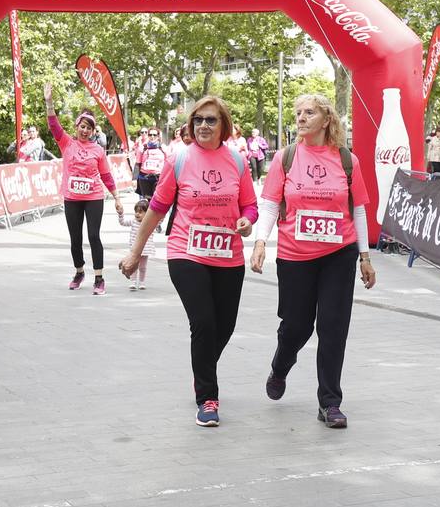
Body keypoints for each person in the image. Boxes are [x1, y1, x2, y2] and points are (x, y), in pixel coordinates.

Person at [118, 95, 256, 427]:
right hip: (187, 251)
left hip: (227, 254)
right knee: (204, 323)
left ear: (223, 125)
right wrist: (136, 252)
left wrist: (247, 221)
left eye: (211, 120)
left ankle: (201, 369)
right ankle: (207, 397)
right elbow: (157, 208)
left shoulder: (237, 161)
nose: (204, 126)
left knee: (224, 326)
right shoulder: (179, 159)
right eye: (198, 120)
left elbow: (249, 205)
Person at [250, 93, 375, 430]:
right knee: (297, 326)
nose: (301, 118)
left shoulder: (348, 160)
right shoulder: (285, 158)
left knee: (333, 327)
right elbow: (270, 204)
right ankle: (280, 365)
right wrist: (261, 242)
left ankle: (330, 403)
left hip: (339, 253)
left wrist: (364, 256)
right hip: (295, 255)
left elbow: (358, 208)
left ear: (326, 119)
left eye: (309, 112)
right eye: (298, 112)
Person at [45, 82, 124, 294]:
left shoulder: (98, 150)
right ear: (77, 127)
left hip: (93, 197)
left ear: (93, 131)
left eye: (89, 128)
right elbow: (53, 124)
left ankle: (99, 278)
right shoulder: (66, 143)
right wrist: (49, 102)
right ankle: (79, 272)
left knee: (93, 236)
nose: (85, 130)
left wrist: (116, 197)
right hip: (72, 197)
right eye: (82, 126)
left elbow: (106, 175)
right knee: (75, 238)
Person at [118, 198, 156, 290]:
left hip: (146, 249)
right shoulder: (133, 221)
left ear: (147, 213)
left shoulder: (150, 223)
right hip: (134, 249)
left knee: (143, 267)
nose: (137, 214)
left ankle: (142, 282)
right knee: (133, 266)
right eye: (136, 212)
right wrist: (120, 214)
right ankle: (133, 281)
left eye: (140, 212)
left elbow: (159, 220)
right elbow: (122, 223)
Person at [135, 127, 166, 199]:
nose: (152, 137)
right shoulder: (142, 148)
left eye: (154, 135)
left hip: (159, 178)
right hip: (144, 178)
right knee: (148, 201)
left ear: (158, 136)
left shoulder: (164, 148)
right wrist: (134, 179)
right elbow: (137, 164)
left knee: (158, 200)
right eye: (150, 134)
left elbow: (169, 164)